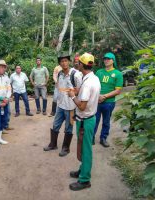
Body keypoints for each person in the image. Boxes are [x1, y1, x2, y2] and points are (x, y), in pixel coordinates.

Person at [68, 52, 101, 191]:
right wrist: (78, 91)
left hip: (85, 120)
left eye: (78, 63)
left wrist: (72, 96)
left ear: (82, 64)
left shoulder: (88, 84)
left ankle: (85, 180)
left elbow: (81, 105)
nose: (77, 64)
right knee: (83, 147)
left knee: (86, 150)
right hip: (88, 118)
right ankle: (83, 171)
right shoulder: (93, 78)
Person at [43, 52, 82, 157]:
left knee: (68, 127)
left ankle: (66, 148)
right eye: (62, 61)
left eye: (65, 61)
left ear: (69, 62)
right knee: (55, 125)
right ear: (59, 64)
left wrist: (73, 94)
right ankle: (53, 144)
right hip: (60, 106)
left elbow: (80, 90)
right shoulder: (60, 73)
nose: (64, 63)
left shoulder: (76, 74)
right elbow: (59, 88)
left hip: (71, 107)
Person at [94, 52, 123, 147]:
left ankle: (103, 138)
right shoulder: (99, 72)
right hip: (97, 101)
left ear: (113, 60)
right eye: (105, 59)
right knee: (94, 120)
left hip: (109, 103)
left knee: (106, 121)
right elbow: (94, 86)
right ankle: (91, 138)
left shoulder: (118, 74)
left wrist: (104, 96)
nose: (106, 60)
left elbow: (118, 90)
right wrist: (97, 96)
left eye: (108, 59)